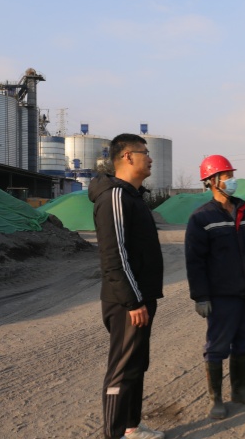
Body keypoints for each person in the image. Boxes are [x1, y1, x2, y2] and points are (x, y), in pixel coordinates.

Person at [88, 133, 165, 439]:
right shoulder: (115, 196)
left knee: (136, 364)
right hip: (126, 302)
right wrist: (133, 301)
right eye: (145, 152)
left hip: (140, 297)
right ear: (127, 157)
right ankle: (116, 433)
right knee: (122, 367)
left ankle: (131, 426)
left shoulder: (132, 196)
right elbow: (114, 255)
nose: (150, 158)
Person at [185, 154, 245, 420]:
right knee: (218, 346)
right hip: (221, 296)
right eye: (227, 176)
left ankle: (241, 391)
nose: (232, 181)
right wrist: (200, 296)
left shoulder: (243, 213)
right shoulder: (202, 218)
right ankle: (216, 399)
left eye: (232, 175)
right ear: (212, 181)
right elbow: (195, 261)